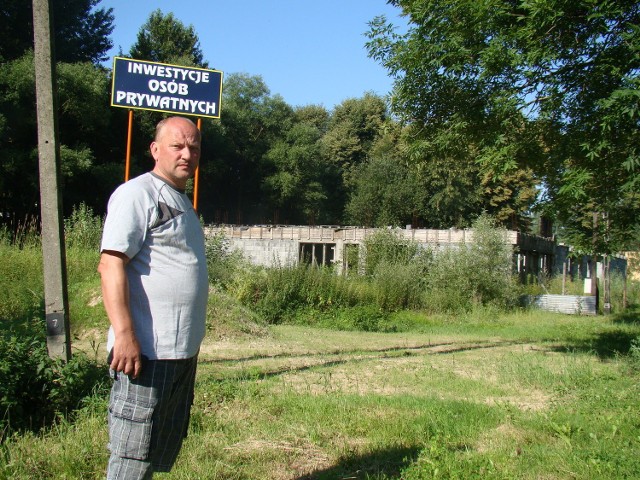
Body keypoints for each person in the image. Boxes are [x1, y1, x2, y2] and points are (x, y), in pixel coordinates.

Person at [98, 116, 209, 479]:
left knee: (155, 452)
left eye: (193, 147)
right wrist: (126, 335)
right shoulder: (138, 194)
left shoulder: (180, 200)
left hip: (178, 354)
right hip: (145, 353)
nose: (187, 153)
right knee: (132, 455)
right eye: (177, 145)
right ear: (155, 149)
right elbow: (111, 264)